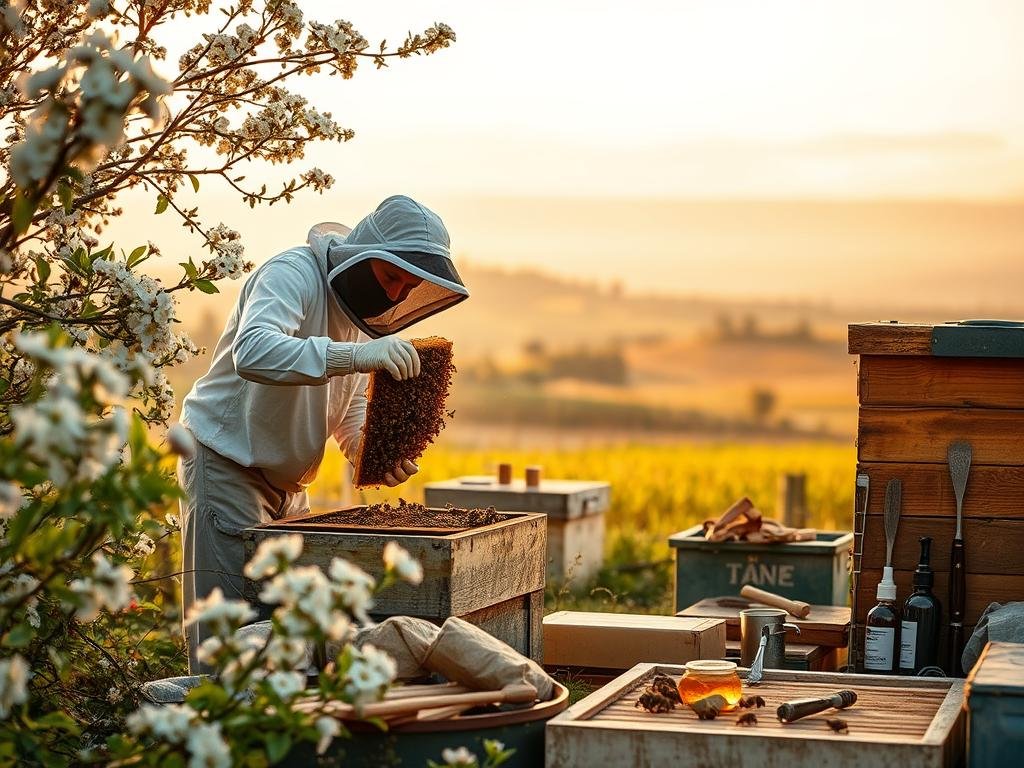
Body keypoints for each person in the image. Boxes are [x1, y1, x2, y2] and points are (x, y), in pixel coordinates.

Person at [177, 195, 469, 671]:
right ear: (365, 253)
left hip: (290, 488)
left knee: (284, 637)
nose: (397, 295)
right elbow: (253, 352)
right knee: (227, 640)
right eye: (392, 276)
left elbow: (349, 403)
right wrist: (354, 357)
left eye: (409, 285)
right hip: (227, 465)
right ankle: (209, 735)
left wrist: (365, 449)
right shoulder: (291, 274)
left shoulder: (362, 321)